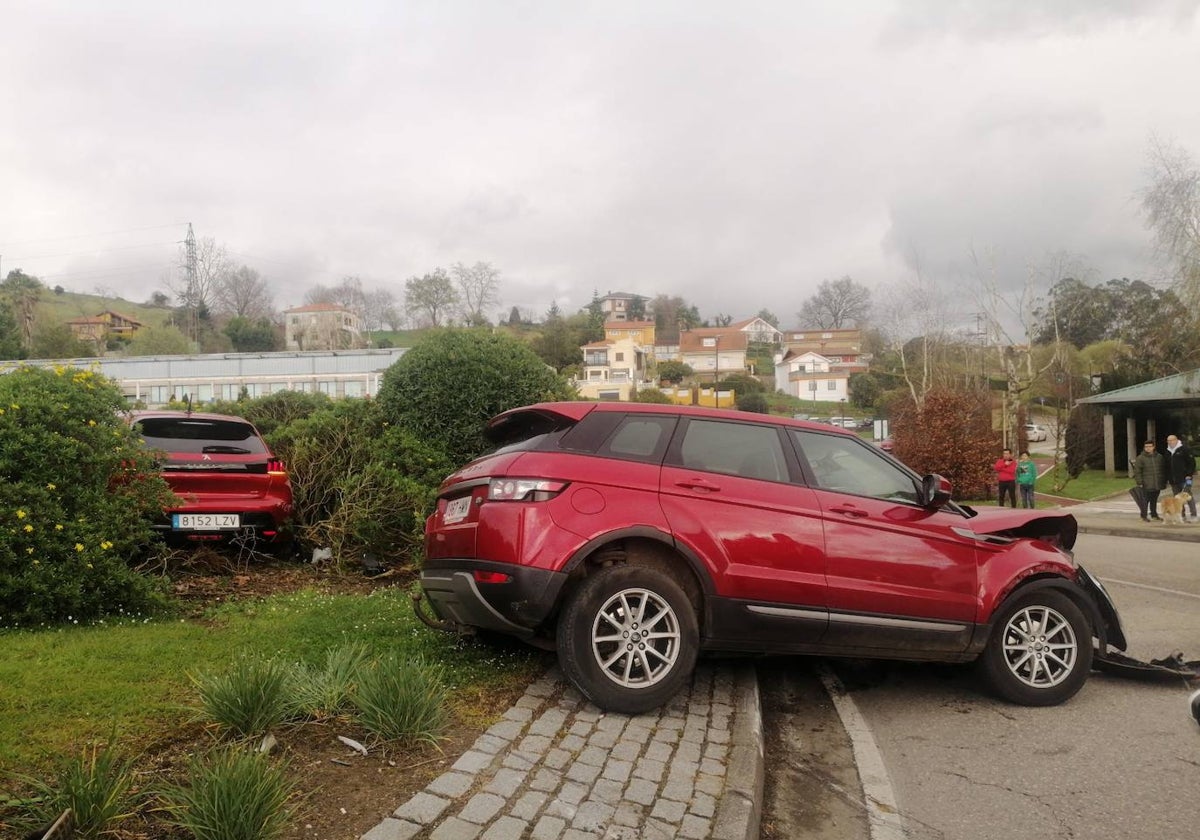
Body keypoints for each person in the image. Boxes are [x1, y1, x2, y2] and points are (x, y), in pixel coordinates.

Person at [1164, 433, 1197, 522]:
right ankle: (1181, 515)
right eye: (1168, 440)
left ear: (1176, 440)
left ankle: (1194, 515)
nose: (1170, 442)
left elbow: (1191, 463)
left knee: (1188, 497)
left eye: (1172, 440)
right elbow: (1166, 466)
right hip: (1173, 480)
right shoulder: (1167, 452)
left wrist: (1189, 474)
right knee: (1177, 500)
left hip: (1185, 479)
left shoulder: (1184, 449)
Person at [1133, 439, 1168, 522]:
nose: (1148, 448)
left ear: (1153, 447)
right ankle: (1143, 515)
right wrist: (1140, 482)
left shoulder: (1159, 457)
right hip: (1146, 483)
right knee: (1145, 500)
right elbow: (1137, 471)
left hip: (1157, 483)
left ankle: (1154, 514)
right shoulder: (1140, 458)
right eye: (1146, 447)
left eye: (1150, 446)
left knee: (1154, 500)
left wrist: (1163, 481)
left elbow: (1163, 469)